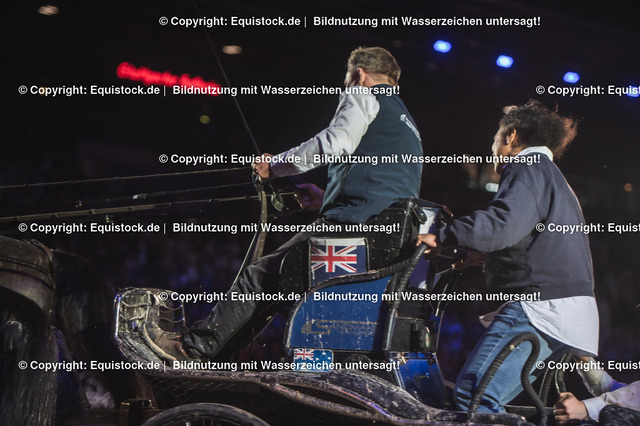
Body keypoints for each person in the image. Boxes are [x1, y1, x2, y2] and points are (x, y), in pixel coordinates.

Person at [148, 46, 424, 360]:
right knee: (281, 282)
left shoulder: (363, 94)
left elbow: (335, 143)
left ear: (359, 74)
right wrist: (326, 197)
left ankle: (193, 351)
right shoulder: (406, 122)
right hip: (389, 236)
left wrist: (276, 166)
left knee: (261, 276)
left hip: (353, 226)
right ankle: (217, 355)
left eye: (348, 78)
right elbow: (385, 183)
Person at [417, 100, 599, 413]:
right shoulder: (551, 175)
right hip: (566, 311)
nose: (492, 149)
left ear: (510, 136)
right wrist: (486, 256)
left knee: (475, 396)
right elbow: (532, 238)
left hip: (543, 307)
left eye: (495, 139)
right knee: (487, 399)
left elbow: (504, 224)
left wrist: (443, 236)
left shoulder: (527, 166)